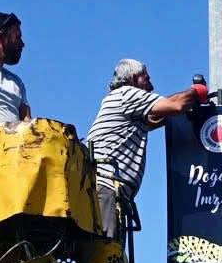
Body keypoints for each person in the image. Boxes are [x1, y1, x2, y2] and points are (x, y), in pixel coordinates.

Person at [85, 58, 208, 239]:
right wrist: (197, 92)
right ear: (133, 79)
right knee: (105, 248)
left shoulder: (122, 104)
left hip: (107, 191)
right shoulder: (127, 94)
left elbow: (156, 118)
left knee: (110, 250)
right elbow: (176, 104)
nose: (151, 87)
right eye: (146, 79)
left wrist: (188, 106)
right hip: (106, 188)